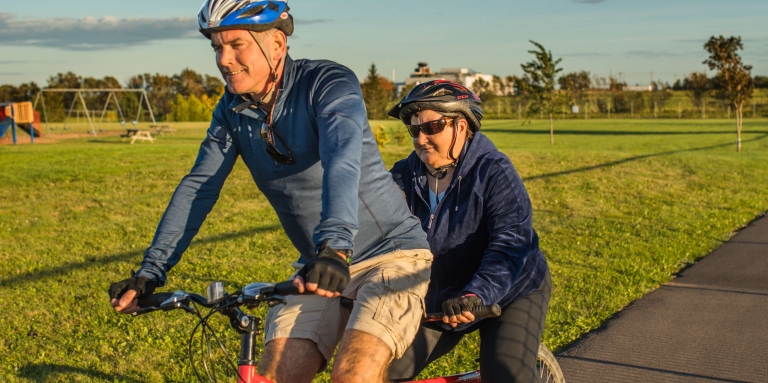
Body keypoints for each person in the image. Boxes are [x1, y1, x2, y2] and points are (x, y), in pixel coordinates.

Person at [107, 1, 432, 382]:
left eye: (236, 45)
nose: (224, 60)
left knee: (353, 376)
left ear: (277, 44)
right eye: (216, 47)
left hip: (390, 255)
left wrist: (336, 247)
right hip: (318, 266)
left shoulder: (327, 84)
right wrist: (150, 273)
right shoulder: (231, 110)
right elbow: (199, 188)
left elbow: (341, 158)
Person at [387, 80, 551, 383]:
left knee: (504, 376)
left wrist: (478, 293)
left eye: (432, 127)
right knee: (380, 371)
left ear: (461, 126)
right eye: (414, 129)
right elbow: (376, 227)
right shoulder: (403, 175)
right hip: (443, 300)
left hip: (510, 292)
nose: (421, 139)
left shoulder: (494, 172)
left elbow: (510, 243)